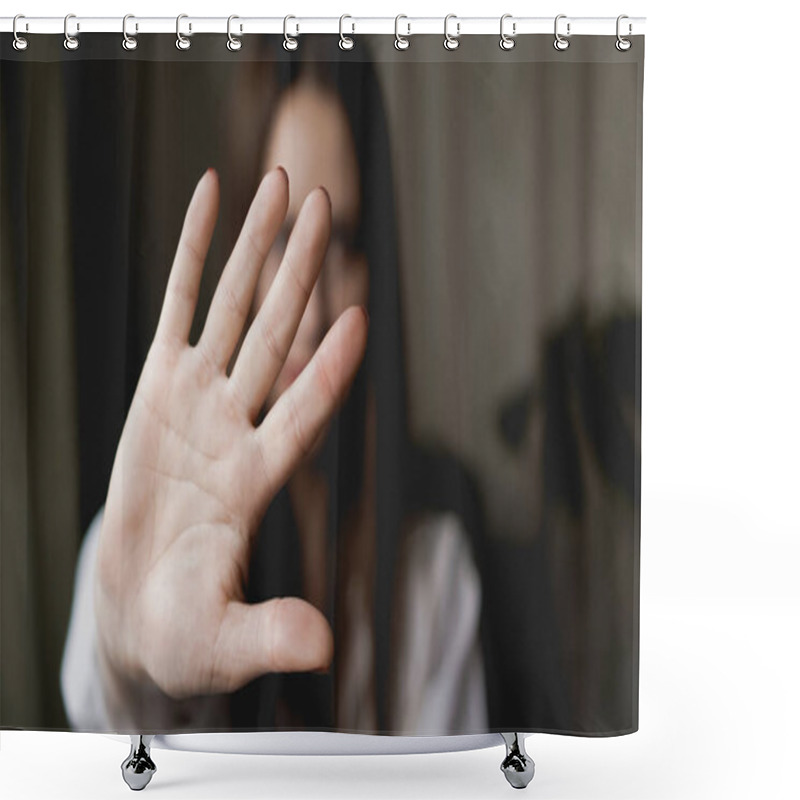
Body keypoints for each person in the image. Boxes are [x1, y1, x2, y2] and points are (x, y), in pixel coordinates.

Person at [60, 38, 489, 735]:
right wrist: (123, 643)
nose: (313, 311)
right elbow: (100, 721)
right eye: (286, 239)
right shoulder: (141, 545)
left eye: (343, 242)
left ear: (378, 267)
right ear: (243, 255)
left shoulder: (432, 575)